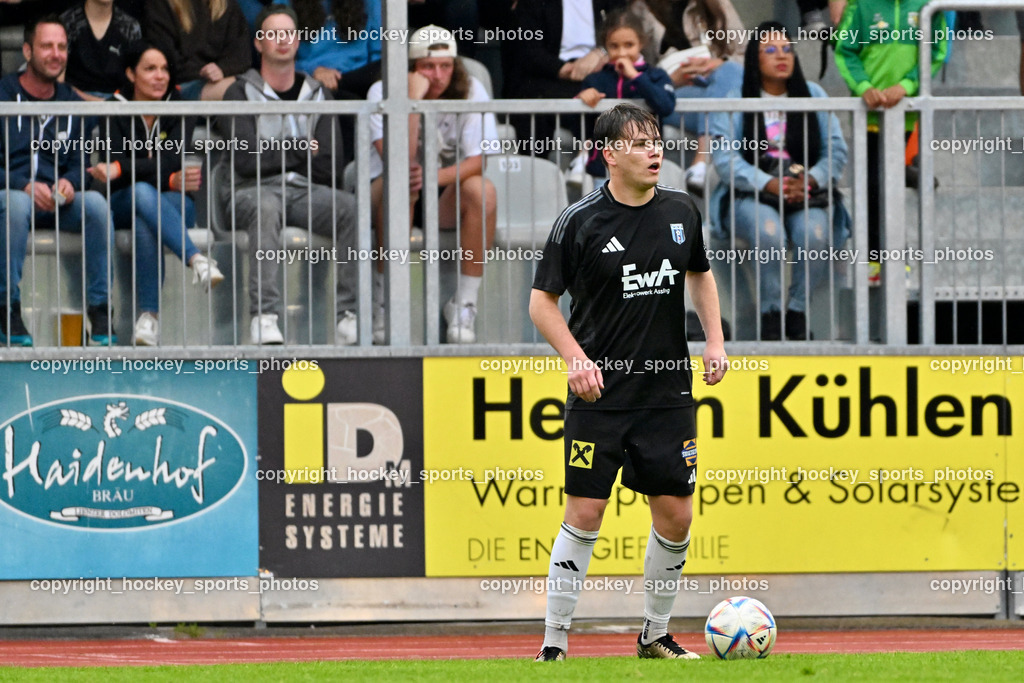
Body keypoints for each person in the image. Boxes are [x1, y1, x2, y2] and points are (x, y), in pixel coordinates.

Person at [530, 103, 727, 662]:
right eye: (639, 143)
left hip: (667, 394)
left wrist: (714, 341)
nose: (654, 151)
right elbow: (541, 303)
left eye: (656, 141)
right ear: (609, 154)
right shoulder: (580, 221)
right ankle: (554, 643)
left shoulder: (681, 210)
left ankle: (654, 634)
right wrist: (576, 359)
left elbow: (700, 275)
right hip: (601, 396)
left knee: (677, 514)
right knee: (585, 512)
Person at [215, 3, 358, 345]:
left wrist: (274, 154)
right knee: (266, 206)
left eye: (289, 34)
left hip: (304, 193)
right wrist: (300, 149)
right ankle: (264, 316)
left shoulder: (319, 94)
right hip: (250, 191)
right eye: (273, 34)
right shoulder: (238, 92)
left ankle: (348, 316)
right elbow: (246, 161)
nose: (283, 40)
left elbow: (329, 166)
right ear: (258, 43)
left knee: (351, 208)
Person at [709, 22, 849, 341]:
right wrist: (767, 183)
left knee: (814, 233)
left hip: (805, 192)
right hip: (751, 194)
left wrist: (810, 180)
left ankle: (796, 312)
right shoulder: (736, 98)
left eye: (787, 49)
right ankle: (770, 314)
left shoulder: (813, 94)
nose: (781, 56)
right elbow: (725, 158)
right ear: (754, 59)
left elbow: (835, 150)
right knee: (768, 231)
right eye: (770, 50)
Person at [367, 24, 497, 344]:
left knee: (483, 190)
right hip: (389, 186)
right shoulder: (381, 91)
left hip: (443, 188)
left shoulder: (472, 89)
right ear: (411, 67)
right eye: (428, 66)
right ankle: (383, 303)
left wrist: (433, 178)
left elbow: (479, 160)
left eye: (445, 66)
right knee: (401, 186)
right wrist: (412, 101)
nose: (438, 76)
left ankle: (464, 305)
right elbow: (398, 159)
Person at [88, 43, 224, 346]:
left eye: (164, 69)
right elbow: (128, 165)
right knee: (140, 192)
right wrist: (163, 177)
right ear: (131, 74)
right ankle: (196, 259)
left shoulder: (179, 106)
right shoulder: (112, 108)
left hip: (173, 204)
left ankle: (148, 320)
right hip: (123, 201)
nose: (160, 76)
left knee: (146, 220)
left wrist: (122, 168)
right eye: (150, 69)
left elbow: (173, 161)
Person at [0, 15, 116, 346]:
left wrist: (70, 183)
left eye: (62, 47)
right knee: (17, 203)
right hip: (11, 198)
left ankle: (101, 308)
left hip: (56, 202)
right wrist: (21, 184)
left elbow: (80, 164)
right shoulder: (3, 94)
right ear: (27, 51)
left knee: (95, 204)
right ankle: (6, 307)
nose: (56, 54)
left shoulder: (71, 101)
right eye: (47, 46)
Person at [834, 0, 946, 276]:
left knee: (890, 183)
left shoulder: (927, 6)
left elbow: (936, 51)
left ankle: (895, 257)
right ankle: (875, 257)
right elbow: (845, 50)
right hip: (869, 113)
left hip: (903, 114)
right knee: (873, 183)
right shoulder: (861, 6)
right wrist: (864, 87)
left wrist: (906, 85)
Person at [641, 0, 745, 193]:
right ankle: (703, 163)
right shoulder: (642, 8)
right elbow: (637, 73)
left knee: (730, 70)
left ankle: (700, 161)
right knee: (724, 104)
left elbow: (747, 57)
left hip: (717, 88)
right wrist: (671, 79)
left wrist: (719, 63)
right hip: (671, 95)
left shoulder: (717, 5)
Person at [576, 8, 675, 181]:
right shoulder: (595, 80)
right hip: (605, 170)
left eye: (629, 45)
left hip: (645, 168)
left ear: (641, 43)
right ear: (605, 46)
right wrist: (581, 101)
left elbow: (666, 105)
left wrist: (636, 77)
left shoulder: (656, 76)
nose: (622, 53)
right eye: (614, 46)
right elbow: (580, 128)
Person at [144, 0, 251, 100]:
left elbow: (241, 54)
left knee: (250, 86)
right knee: (240, 91)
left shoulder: (226, 4)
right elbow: (166, 58)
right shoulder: (161, 4)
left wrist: (222, 69)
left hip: (222, 80)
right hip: (180, 85)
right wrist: (203, 72)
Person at [290, 0, 381, 99]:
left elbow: (378, 53)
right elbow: (278, 56)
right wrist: (311, 70)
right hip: (310, 83)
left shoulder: (372, 2)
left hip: (359, 78)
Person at [59, 0, 141, 100]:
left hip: (118, 103)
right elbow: (59, 81)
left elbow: (135, 80)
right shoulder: (68, 22)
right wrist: (97, 102)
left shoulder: (129, 26)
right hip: (74, 101)